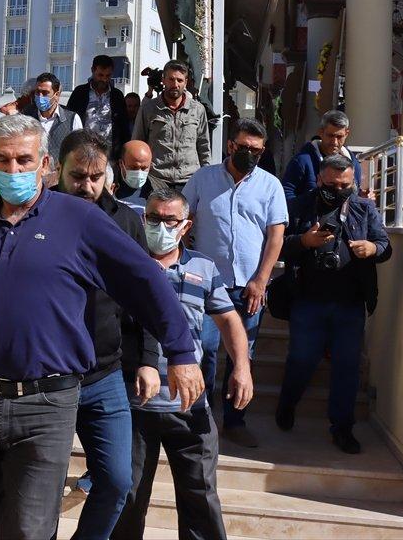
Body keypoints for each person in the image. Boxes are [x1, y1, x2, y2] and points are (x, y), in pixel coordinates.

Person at [0, 113, 203, 540]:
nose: (13, 169)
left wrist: (180, 352)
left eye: (24, 160)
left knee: (29, 529)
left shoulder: (79, 219)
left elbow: (145, 280)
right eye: (3, 160)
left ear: (44, 163)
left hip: (48, 403)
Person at [113, 187, 252, 540]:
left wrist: (242, 367)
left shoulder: (203, 267)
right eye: (153, 218)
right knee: (128, 498)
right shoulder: (125, 265)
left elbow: (229, 319)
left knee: (200, 497)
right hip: (135, 404)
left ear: (186, 225)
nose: (160, 226)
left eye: (169, 220)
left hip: (189, 405)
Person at [52, 129, 148, 539]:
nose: (87, 187)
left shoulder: (125, 221)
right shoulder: (38, 213)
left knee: (116, 480)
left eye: (96, 177)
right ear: (58, 170)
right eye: (77, 177)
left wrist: (148, 359)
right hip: (48, 378)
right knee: (42, 485)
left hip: (105, 375)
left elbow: (146, 294)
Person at [183, 118, 286, 449]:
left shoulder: (270, 185)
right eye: (244, 148)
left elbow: (276, 236)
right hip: (208, 284)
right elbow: (184, 218)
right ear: (230, 146)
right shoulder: (203, 178)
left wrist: (261, 280)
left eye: (257, 150)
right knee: (206, 350)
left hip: (249, 287)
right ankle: (200, 418)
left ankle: (235, 421)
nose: (250, 154)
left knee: (243, 356)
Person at [277, 155, 390, 454]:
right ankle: (287, 403)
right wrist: (304, 242)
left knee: (347, 367)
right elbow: (277, 245)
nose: (339, 190)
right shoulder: (299, 206)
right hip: (307, 301)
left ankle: (342, 428)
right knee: (301, 359)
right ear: (319, 180)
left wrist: (372, 248)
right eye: (332, 185)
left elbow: (385, 245)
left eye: (345, 185)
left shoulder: (364, 208)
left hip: (350, 303)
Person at [133, 61, 211, 193]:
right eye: (171, 79)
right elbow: (138, 143)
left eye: (180, 80)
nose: (175, 85)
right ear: (163, 80)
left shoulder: (198, 109)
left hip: (189, 180)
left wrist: (206, 176)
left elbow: (204, 146)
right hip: (156, 180)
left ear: (185, 82)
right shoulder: (148, 109)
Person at [281, 110, 364, 206]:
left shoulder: (354, 164)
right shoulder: (302, 161)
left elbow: (355, 195)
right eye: (330, 136)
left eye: (339, 136)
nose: (334, 142)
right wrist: (304, 211)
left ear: (346, 134)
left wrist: (362, 198)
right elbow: (286, 193)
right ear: (321, 132)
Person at [66, 55, 131, 152]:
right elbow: (69, 120)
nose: (104, 79)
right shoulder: (79, 93)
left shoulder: (117, 96)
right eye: (100, 75)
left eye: (108, 76)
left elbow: (124, 127)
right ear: (92, 70)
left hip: (110, 153)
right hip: (84, 151)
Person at [23, 72, 83, 166]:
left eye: (45, 93)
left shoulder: (72, 119)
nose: (40, 96)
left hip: (59, 173)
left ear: (56, 95)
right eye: (37, 92)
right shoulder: (26, 117)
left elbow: (78, 150)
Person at [114, 139, 153, 216]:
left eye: (144, 168)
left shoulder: (157, 189)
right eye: (134, 167)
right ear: (121, 163)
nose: (139, 172)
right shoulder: (108, 187)